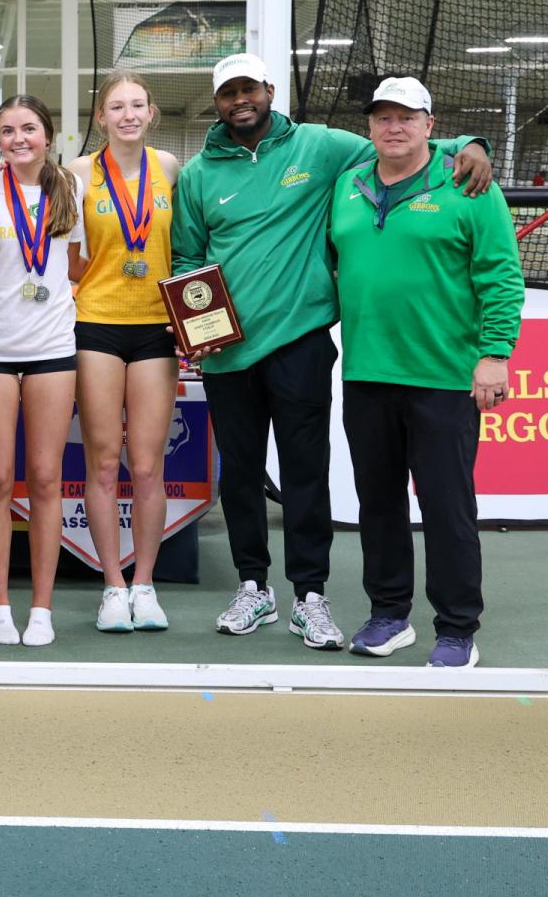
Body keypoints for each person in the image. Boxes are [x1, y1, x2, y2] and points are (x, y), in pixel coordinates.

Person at [170, 52, 493, 650]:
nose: (240, 100)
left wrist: (468, 143)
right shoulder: (196, 176)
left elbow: (400, 142)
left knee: (305, 474)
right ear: (216, 103)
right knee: (239, 475)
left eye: (250, 88)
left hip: (301, 342)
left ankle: (309, 595)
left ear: (269, 90)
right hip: (224, 354)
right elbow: (188, 258)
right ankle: (252, 587)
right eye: (227, 93)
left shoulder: (320, 147)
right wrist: (198, 322)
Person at [331, 77, 524, 668]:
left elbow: (500, 274)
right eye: (383, 116)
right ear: (370, 127)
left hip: (444, 378)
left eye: (407, 117)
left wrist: (494, 354)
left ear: (430, 126)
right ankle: (389, 615)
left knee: (446, 506)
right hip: (367, 374)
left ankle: (457, 627)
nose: (394, 126)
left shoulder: (468, 182)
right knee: (378, 503)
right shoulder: (348, 184)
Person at [65, 71, 181, 633]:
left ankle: (145, 585)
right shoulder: (80, 172)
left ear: (152, 112)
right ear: (101, 117)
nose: (128, 114)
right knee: (104, 463)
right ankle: (112, 587)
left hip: (157, 327)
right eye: (117, 106)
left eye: (137, 104)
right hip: (97, 324)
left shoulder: (172, 168)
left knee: (147, 464)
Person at [0, 94, 83, 648]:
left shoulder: (70, 188)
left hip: (53, 348)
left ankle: (41, 606)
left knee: (43, 478)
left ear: (49, 134)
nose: (19, 139)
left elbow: (77, 263)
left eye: (29, 128)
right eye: (8, 130)